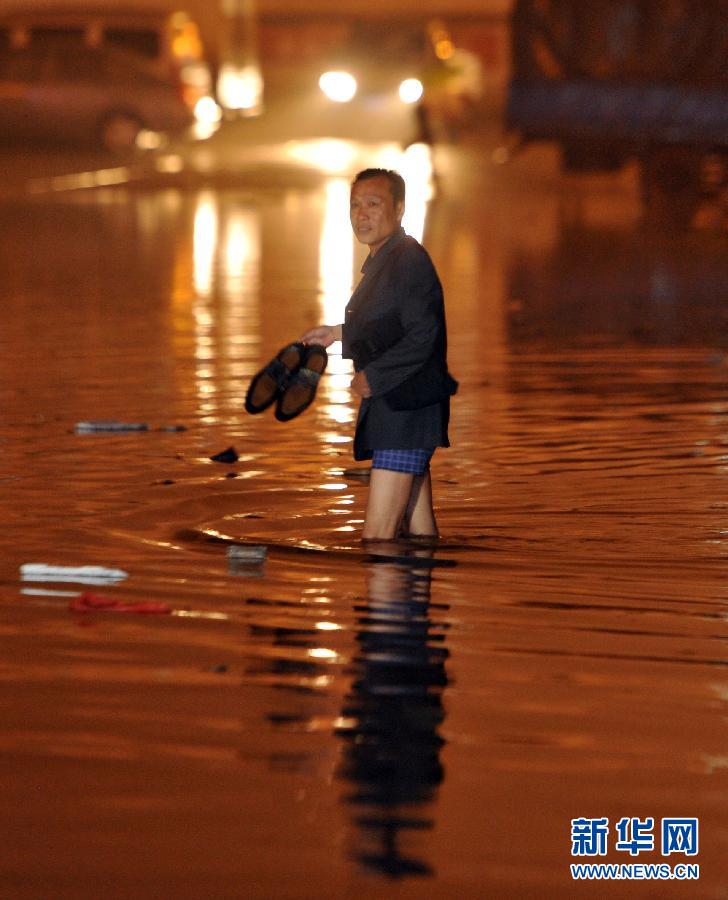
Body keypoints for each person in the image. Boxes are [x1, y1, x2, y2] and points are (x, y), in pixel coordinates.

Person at [301, 168, 456, 542]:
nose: (362, 214)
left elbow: (424, 333)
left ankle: (388, 599)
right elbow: (389, 324)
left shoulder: (408, 261)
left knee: (378, 540)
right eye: (355, 205)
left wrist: (376, 375)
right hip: (406, 411)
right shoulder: (387, 261)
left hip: (404, 412)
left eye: (373, 204)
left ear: (400, 209)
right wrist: (338, 334)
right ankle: (414, 592)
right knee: (419, 537)